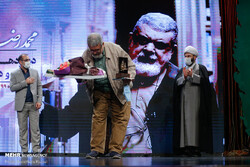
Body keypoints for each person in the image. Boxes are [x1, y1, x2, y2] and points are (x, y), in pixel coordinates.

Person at [123, 12, 179, 154]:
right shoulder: (106, 75)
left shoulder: (186, 84)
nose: (148, 49)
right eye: (142, 40)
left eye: (160, 45)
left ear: (172, 50)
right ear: (131, 40)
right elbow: (69, 123)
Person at [81, 33, 136, 159]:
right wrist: (88, 71)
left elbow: (130, 67)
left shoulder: (115, 49)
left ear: (103, 45)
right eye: (92, 50)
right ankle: (96, 150)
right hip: (100, 91)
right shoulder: (87, 54)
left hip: (119, 90)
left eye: (97, 50)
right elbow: (81, 70)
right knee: (98, 119)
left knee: (120, 119)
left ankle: (115, 150)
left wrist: (128, 77)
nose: (94, 52)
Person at [172, 46, 213, 157]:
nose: (187, 58)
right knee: (184, 125)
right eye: (185, 56)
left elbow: (205, 84)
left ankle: (195, 148)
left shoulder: (201, 68)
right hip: (184, 103)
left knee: (196, 126)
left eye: (189, 56)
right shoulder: (182, 70)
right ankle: (185, 148)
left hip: (197, 103)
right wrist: (184, 77)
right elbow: (176, 85)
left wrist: (192, 76)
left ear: (195, 57)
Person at [10, 54, 42, 153]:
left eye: (29, 59)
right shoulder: (14, 73)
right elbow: (12, 87)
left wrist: (39, 101)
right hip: (21, 105)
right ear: (20, 62)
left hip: (33, 104)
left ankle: (36, 151)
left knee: (35, 129)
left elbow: (39, 87)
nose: (28, 61)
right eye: (26, 60)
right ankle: (24, 151)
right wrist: (25, 82)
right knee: (23, 130)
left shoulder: (35, 72)